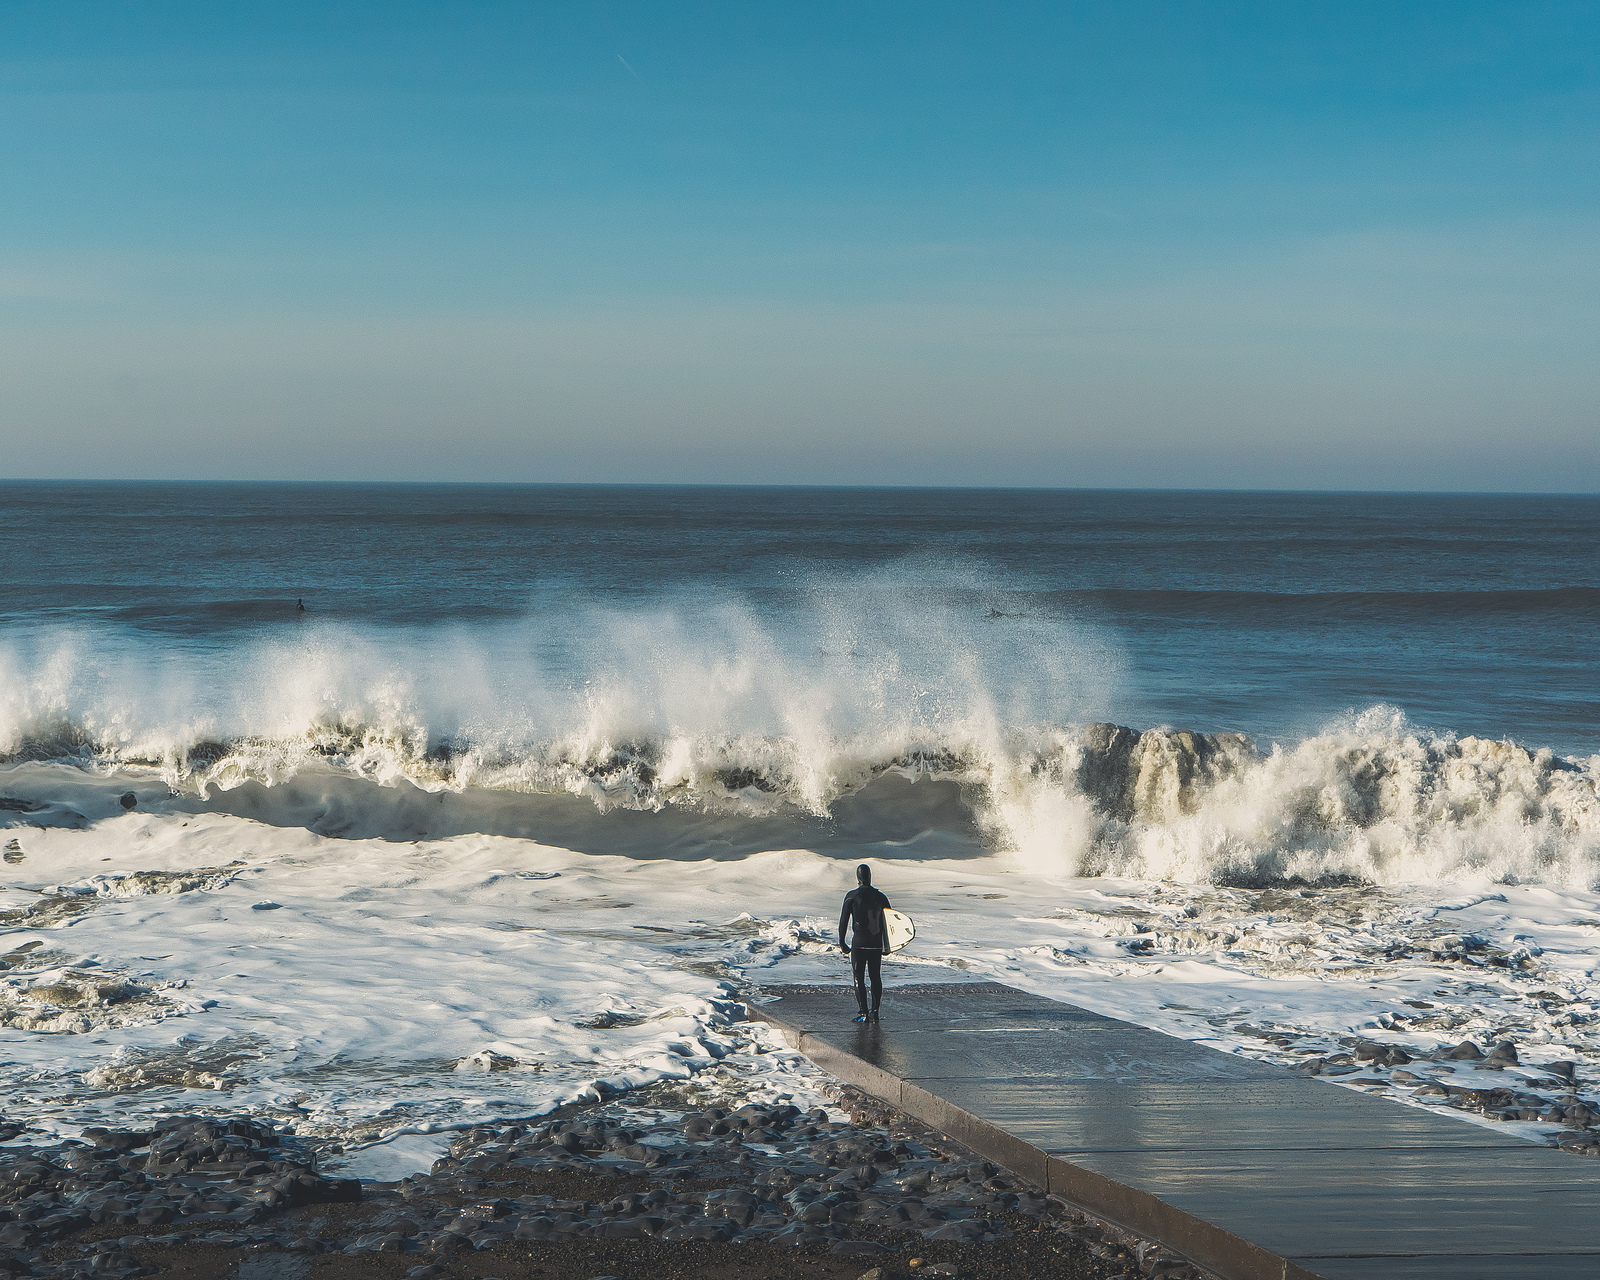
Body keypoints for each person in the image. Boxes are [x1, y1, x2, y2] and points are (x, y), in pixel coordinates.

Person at [838, 864, 891, 1023]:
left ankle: (864, 1013)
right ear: (869, 877)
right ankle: (875, 1012)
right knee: (875, 977)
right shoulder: (881, 897)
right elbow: (890, 923)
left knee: (858, 977)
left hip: (859, 943)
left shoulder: (852, 896)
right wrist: (888, 945)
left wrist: (842, 942)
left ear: (858, 878)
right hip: (875, 943)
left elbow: (843, 922)